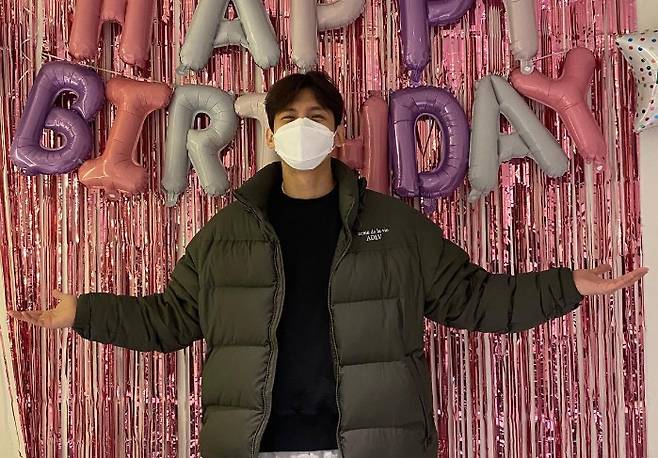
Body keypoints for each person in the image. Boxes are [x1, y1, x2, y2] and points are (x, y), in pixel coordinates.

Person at [8, 71, 649, 458]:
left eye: (315, 118)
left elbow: (475, 298)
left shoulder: (395, 226)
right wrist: (82, 312)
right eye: (289, 119)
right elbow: (170, 319)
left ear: (337, 132)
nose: (302, 128)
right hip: (256, 445)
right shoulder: (228, 231)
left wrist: (568, 285)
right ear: (270, 135)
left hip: (369, 444)